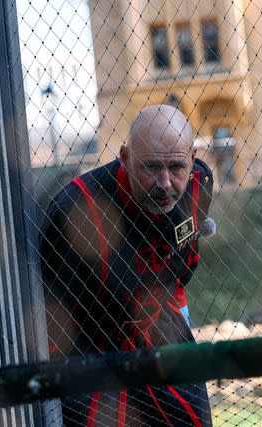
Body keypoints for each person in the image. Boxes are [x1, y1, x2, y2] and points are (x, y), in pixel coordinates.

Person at [39, 104, 214, 426]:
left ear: (192, 156)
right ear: (124, 156)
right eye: (150, 168)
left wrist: (179, 311)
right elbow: (54, 318)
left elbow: (180, 266)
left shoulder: (198, 182)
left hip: (157, 322)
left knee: (193, 418)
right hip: (91, 345)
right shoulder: (77, 212)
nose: (164, 183)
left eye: (176, 166)